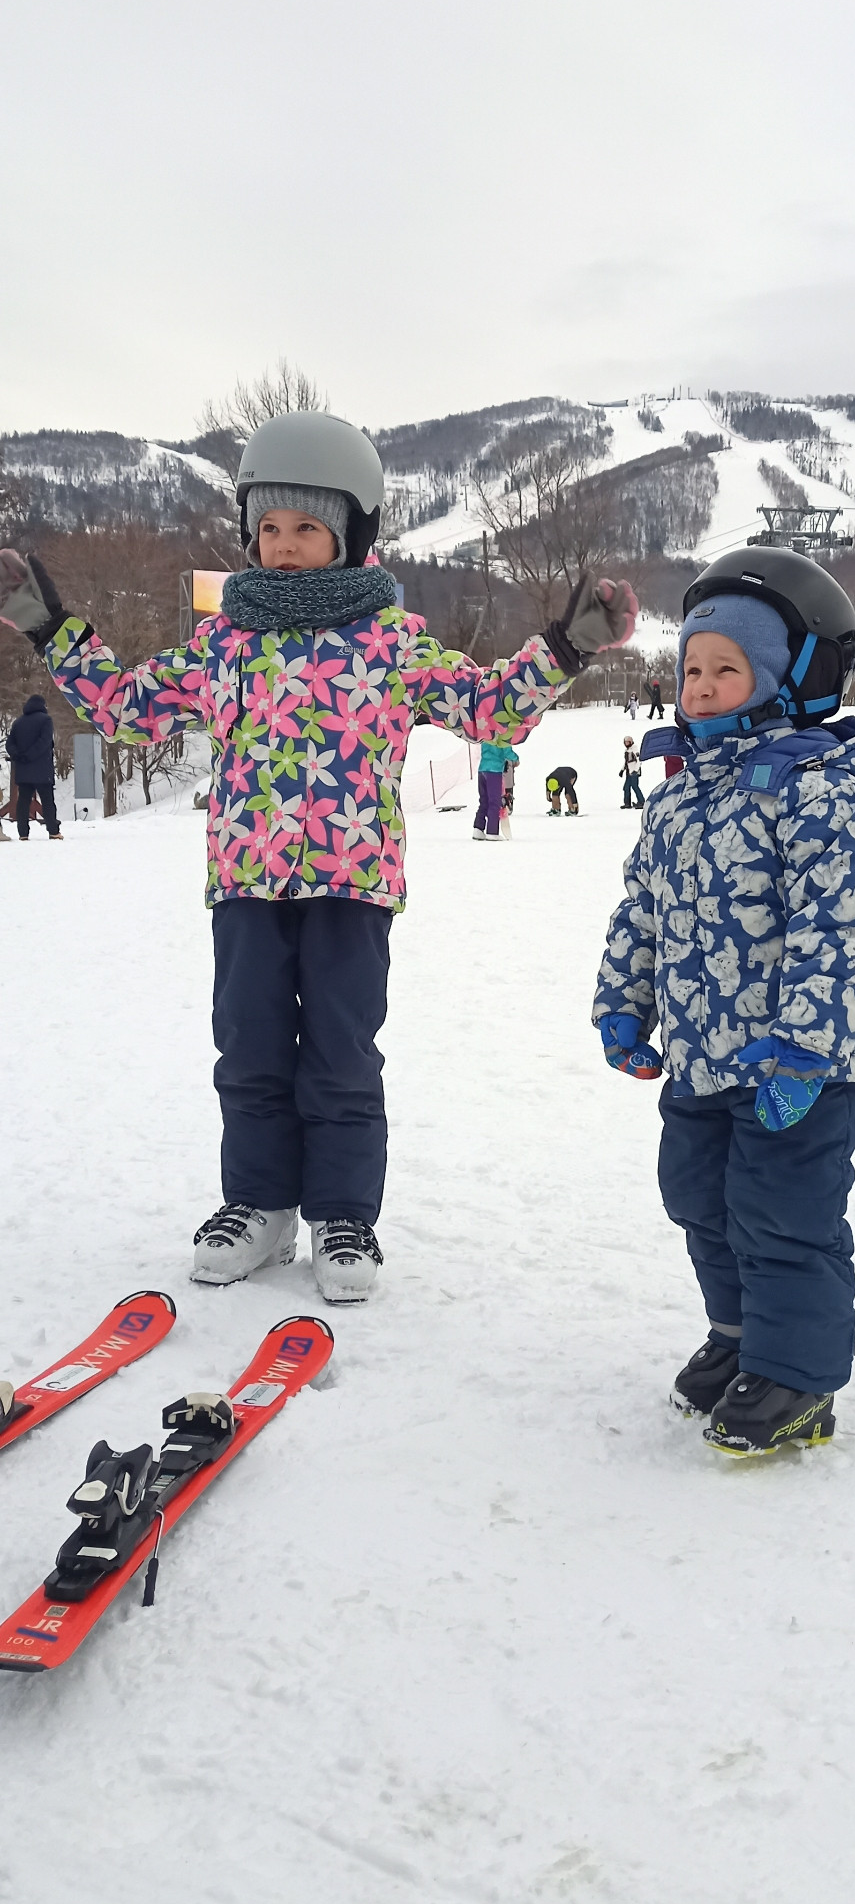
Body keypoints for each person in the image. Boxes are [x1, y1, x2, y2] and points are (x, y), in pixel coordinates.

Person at [0, 411, 636, 1300]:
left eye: (307, 527)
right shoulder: (227, 641)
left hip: (352, 883)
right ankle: (259, 1207)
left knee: (340, 1051)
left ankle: (342, 1215)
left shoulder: (391, 641)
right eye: (269, 528)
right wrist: (49, 628)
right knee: (250, 1047)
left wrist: (566, 645)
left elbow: (489, 712)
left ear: (351, 534)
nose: (286, 545)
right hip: (248, 882)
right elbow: (129, 708)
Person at [594, 545, 855, 1458]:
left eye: (729, 668)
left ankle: (798, 1377)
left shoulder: (820, 791)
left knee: (783, 1216)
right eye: (692, 667)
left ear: (790, 678)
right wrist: (622, 1001)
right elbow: (642, 905)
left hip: (798, 1070)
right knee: (699, 1200)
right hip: (699, 1059)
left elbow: (842, 930)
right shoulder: (680, 795)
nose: (703, 685)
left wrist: (807, 1049)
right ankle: (740, 1338)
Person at [5, 693, 62, 841]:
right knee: (47, 800)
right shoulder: (46, 720)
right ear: (43, 706)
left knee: (23, 800)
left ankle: (23, 833)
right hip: (42, 769)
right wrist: (30, 755)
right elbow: (44, 742)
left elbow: (9, 743)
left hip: (23, 769)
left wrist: (18, 755)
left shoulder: (18, 722)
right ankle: (53, 831)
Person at [473, 733, 513, 841]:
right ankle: (492, 831)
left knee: (484, 800)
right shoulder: (503, 734)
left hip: (482, 769)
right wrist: (516, 759)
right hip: (494, 771)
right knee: (494, 801)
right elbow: (507, 751)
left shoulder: (486, 733)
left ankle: (478, 828)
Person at [620, 736, 644, 809]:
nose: (626, 744)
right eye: (625, 742)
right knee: (626, 787)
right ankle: (627, 803)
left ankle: (641, 802)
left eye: (628, 742)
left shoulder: (634, 749)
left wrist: (635, 770)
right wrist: (622, 770)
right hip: (628, 772)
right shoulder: (627, 750)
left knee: (635, 786)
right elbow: (626, 762)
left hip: (634, 772)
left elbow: (639, 760)